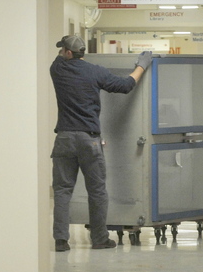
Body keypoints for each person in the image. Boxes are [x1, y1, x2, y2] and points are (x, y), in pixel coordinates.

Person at [50, 35, 153, 252]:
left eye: (62, 50)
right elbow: (126, 85)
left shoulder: (57, 70)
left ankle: (61, 240)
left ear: (68, 53)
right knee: (96, 191)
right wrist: (141, 66)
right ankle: (99, 239)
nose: (60, 53)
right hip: (89, 139)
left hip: (65, 138)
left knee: (62, 191)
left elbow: (58, 59)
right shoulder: (96, 72)